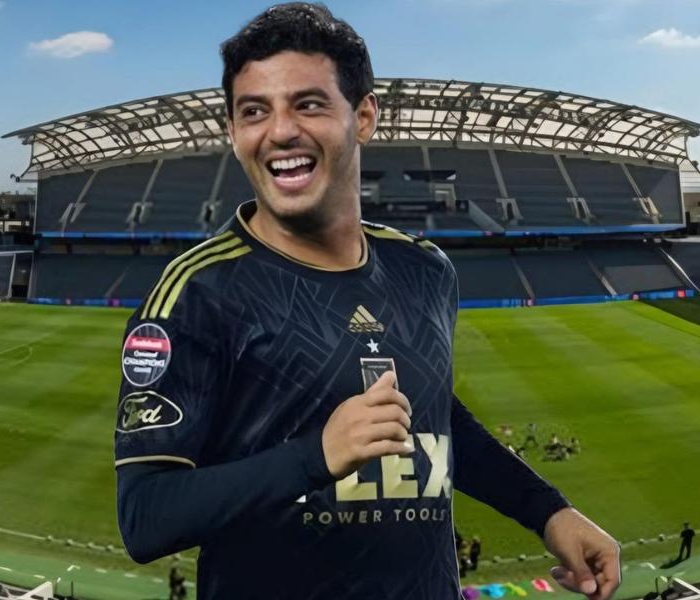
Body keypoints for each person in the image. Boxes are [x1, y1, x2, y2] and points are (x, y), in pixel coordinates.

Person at [115, 4, 621, 599]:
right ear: (233, 132)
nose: (279, 131)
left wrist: (547, 509)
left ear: (363, 117)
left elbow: (434, 416)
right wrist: (316, 456)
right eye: (254, 111)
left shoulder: (425, 269)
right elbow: (146, 516)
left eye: (308, 104)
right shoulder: (195, 293)